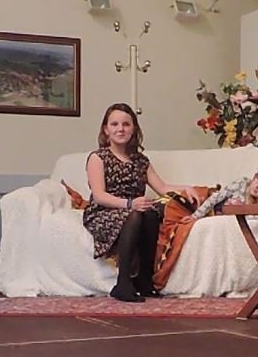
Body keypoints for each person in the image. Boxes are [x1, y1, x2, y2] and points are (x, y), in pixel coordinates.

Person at [83, 103, 201, 303]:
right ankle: (123, 284)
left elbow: (162, 187)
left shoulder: (140, 160)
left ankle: (144, 281)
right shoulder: (98, 157)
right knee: (137, 214)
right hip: (104, 210)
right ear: (106, 129)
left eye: (126, 124)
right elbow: (99, 195)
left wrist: (185, 188)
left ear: (134, 129)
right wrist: (130, 204)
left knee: (151, 213)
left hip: (134, 209)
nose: (121, 129)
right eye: (114, 124)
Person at [186, 164, 258, 221]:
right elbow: (215, 198)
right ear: (255, 175)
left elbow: (252, 219)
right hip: (209, 209)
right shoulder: (241, 184)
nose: (257, 186)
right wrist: (195, 216)